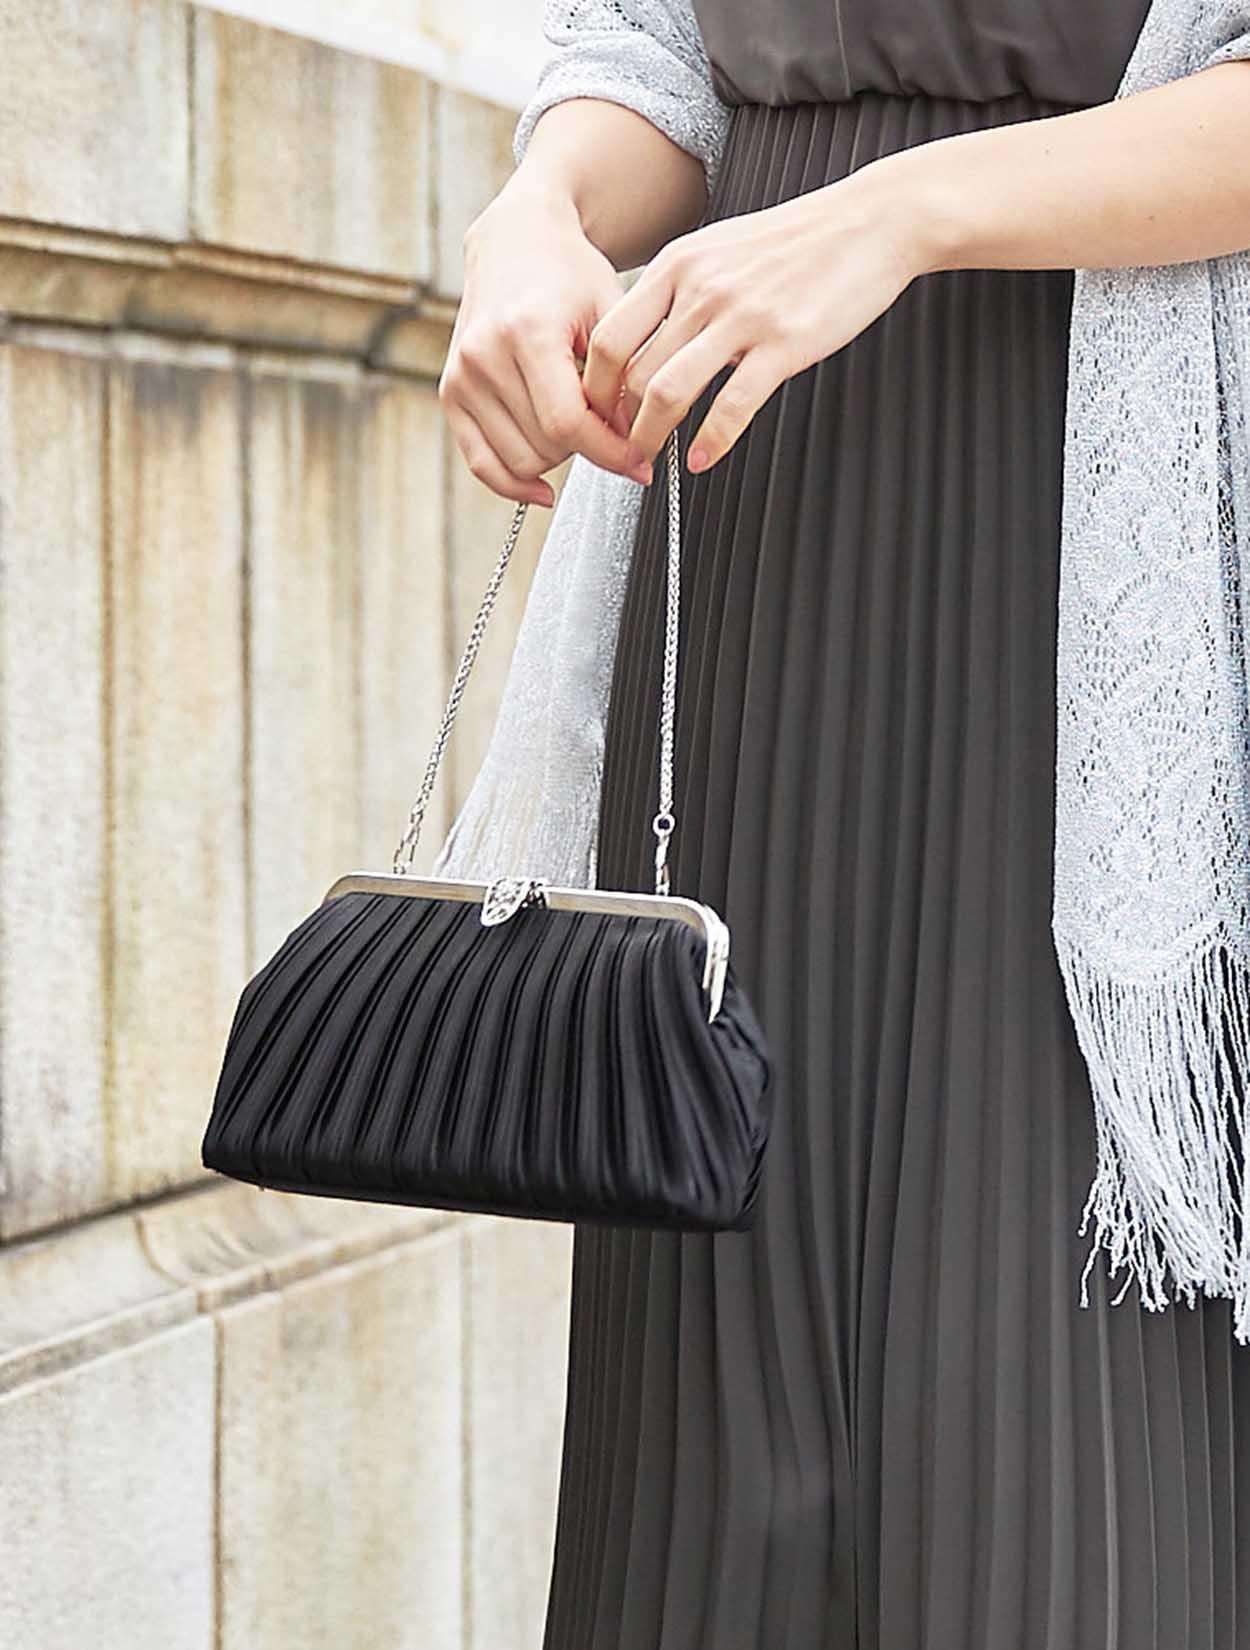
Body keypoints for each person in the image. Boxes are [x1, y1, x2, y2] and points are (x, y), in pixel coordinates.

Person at [438, 2, 1250, 1645]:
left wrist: (900, 211)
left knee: (1055, 1446)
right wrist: (532, 218)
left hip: (1097, 576)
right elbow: (659, 55)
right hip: (748, 555)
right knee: (707, 1456)